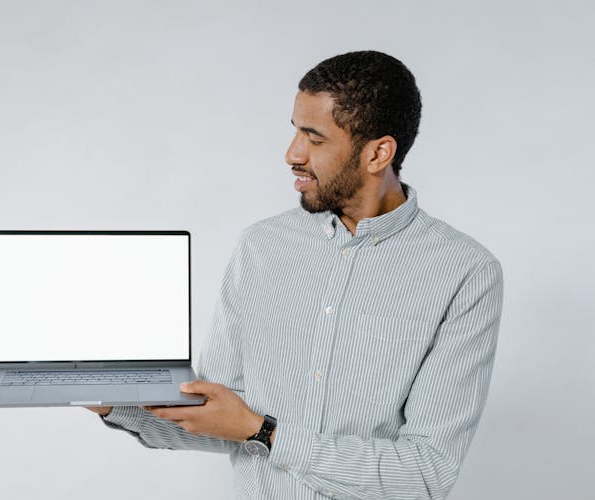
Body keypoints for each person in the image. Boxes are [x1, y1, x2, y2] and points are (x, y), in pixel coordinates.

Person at [88, 50, 503, 500]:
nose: (292, 154)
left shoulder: (464, 273)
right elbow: (222, 421)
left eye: (315, 138)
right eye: (294, 131)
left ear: (378, 153)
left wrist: (265, 432)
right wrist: (111, 400)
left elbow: (423, 476)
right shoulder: (261, 247)